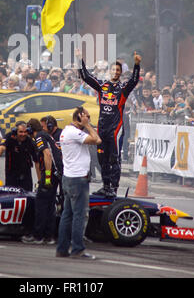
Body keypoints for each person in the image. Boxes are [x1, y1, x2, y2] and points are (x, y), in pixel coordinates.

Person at [77, 49, 141, 198]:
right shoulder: (102, 85)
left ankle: (114, 188)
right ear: (109, 71)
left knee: (114, 158)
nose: (115, 72)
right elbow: (86, 76)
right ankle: (105, 187)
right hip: (102, 128)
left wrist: (137, 65)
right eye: (113, 69)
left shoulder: (123, 88)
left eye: (118, 70)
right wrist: (79, 58)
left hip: (115, 128)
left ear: (120, 72)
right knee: (102, 158)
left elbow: (134, 81)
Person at [56, 107, 101, 259]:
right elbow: (96, 140)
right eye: (86, 117)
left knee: (67, 214)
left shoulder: (67, 131)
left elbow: (97, 140)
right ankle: (77, 249)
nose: (89, 119)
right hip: (78, 178)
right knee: (79, 215)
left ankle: (62, 249)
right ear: (80, 117)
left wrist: (87, 126)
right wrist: (87, 125)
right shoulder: (73, 132)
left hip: (69, 177)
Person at [22, 118, 63, 245]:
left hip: (50, 174)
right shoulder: (47, 135)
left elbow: (47, 154)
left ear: (30, 129)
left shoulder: (39, 137)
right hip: (57, 174)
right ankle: (49, 236)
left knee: (40, 205)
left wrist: (47, 176)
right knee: (50, 205)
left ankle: (37, 236)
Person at [0, 121, 39, 191]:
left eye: (25, 132)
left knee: (27, 196)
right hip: (11, 173)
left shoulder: (30, 141)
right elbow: (1, 148)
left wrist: (40, 181)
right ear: (15, 131)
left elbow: (37, 161)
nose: (23, 134)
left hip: (26, 174)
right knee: (10, 196)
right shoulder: (9, 136)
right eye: (21, 132)